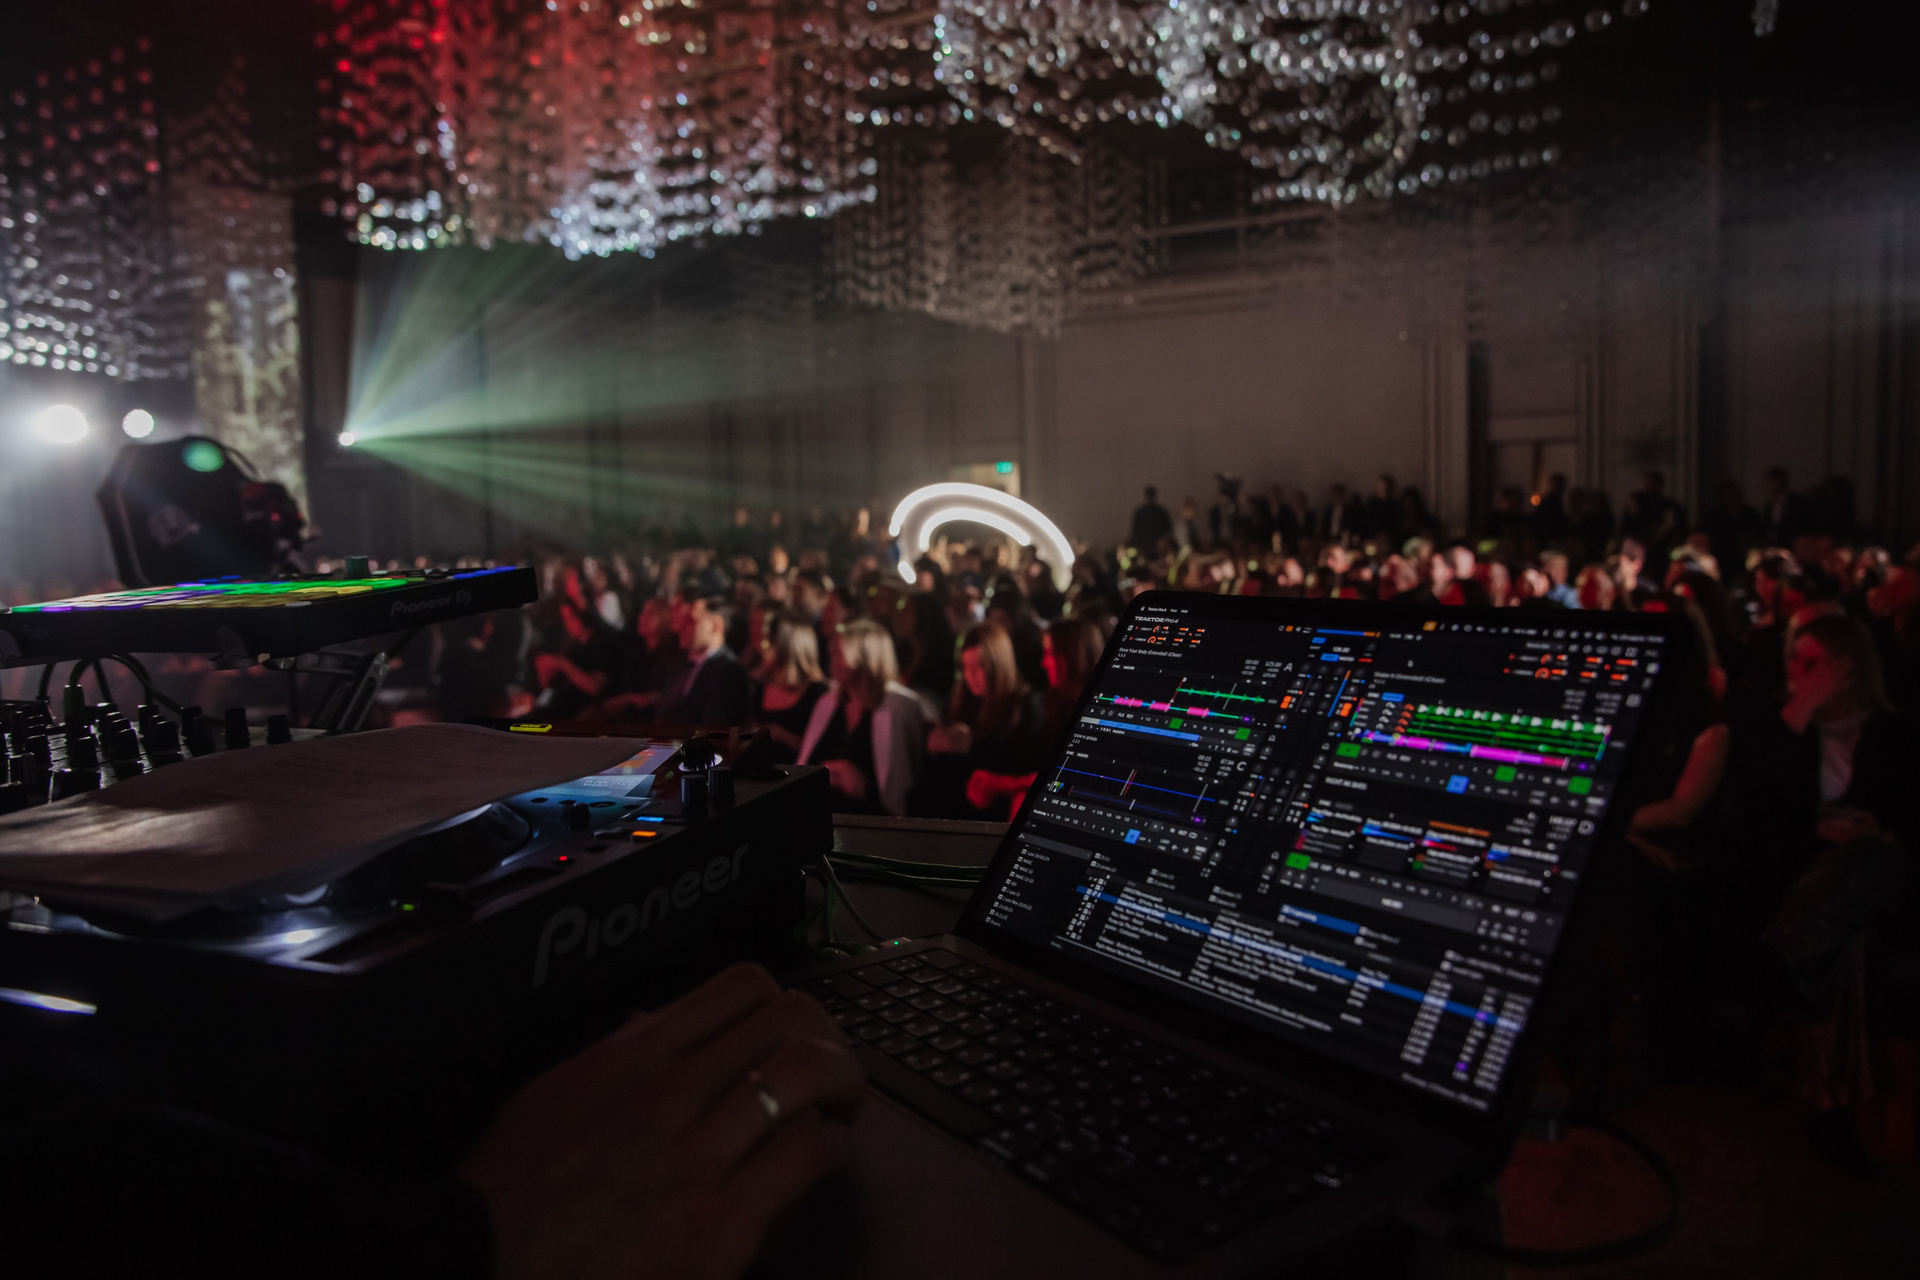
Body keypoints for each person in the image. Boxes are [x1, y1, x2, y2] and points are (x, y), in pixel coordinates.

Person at [798, 619, 928, 816]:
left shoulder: (900, 706)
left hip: (874, 819)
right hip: (820, 813)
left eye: (841, 653)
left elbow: (906, 782)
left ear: (867, 656)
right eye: (832, 652)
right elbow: (804, 765)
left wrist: (862, 783)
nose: (833, 660)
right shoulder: (827, 703)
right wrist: (834, 769)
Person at [923, 622, 1046, 820]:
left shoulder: (1025, 705)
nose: (970, 676)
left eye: (979, 666)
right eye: (966, 667)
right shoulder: (960, 700)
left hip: (996, 815)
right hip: (956, 812)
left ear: (998, 665)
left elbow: (1022, 768)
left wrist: (968, 747)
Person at [659, 595, 752, 726]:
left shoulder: (730, 672)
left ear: (715, 625)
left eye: (691, 621)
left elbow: (717, 725)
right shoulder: (679, 662)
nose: (679, 627)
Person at [751, 614, 829, 761]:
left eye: (768, 642)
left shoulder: (819, 694)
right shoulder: (761, 687)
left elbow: (822, 751)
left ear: (786, 648)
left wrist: (782, 735)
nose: (762, 646)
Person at [1038, 615, 1107, 747]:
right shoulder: (1053, 705)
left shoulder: (1103, 713)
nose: (1044, 663)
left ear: (1074, 657)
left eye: (1050, 653)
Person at [1128, 485, 1173, 555]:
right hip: (1152, 549)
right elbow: (1168, 531)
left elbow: (1135, 533)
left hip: (1151, 549)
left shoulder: (1141, 513)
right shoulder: (1160, 512)